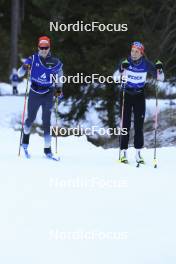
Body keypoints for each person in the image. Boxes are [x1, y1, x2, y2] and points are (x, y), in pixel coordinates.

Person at [113, 41, 164, 163]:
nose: (133, 54)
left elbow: (161, 78)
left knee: (139, 125)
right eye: (132, 51)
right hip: (126, 94)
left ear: (141, 53)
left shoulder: (146, 64)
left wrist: (159, 70)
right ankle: (123, 153)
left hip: (139, 96)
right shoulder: (126, 62)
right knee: (125, 124)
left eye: (136, 52)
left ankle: (138, 154)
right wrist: (121, 69)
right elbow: (115, 78)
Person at [18, 36, 63, 158]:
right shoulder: (32, 59)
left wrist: (59, 90)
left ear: (49, 48)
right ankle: (25, 142)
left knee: (46, 121)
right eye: (41, 47)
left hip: (48, 93)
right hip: (34, 92)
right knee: (30, 119)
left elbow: (59, 77)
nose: (43, 50)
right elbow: (19, 73)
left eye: (46, 47)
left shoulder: (55, 62)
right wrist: (24, 68)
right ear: (38, 47)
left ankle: (47, 150)